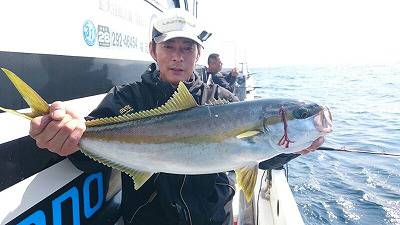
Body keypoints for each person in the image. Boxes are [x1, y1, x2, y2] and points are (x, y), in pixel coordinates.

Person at [28, 9, 324, 225]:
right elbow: (87, 155)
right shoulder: (127, 97)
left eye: (187, 48)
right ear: (152, 50)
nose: (177, 56)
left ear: (198, 53)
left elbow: (262, 156)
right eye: (168, 46)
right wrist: (71, 137)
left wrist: (294, 149)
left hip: (212, 219)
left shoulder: (222, 99)